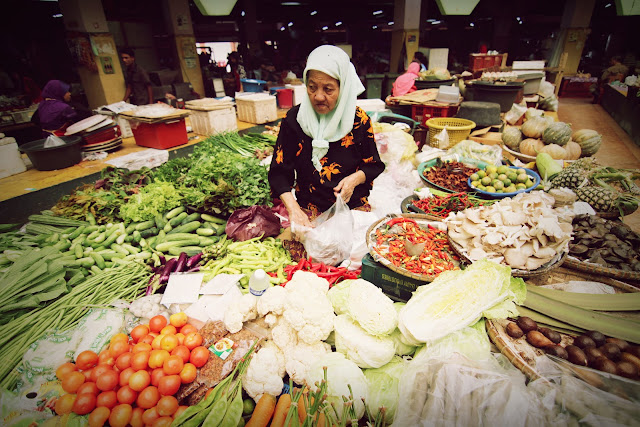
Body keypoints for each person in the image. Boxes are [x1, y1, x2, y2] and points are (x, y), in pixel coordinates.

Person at [268, 45, 385, 229]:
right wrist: (294, 210)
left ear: (343, 87)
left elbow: (373, 165)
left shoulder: (358, 121)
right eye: (312, 87)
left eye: (328, 89)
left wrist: (354, 180)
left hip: (352, 207)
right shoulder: (294, 120)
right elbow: (279, 173)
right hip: (308, 210)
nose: (318, 96)